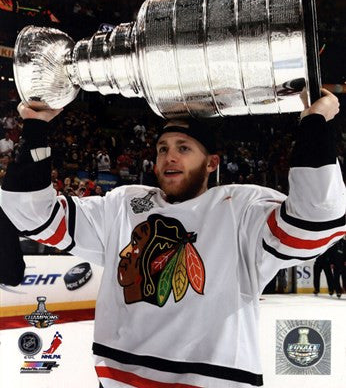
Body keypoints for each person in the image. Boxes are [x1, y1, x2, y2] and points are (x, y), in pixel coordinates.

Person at [1, 89, 345, 388]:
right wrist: (35, 127)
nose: (170, 156)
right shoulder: (123, 204)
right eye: (163, 148)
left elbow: (313, 224)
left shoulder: (240, 209)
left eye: (184, 148)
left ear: (212, 163)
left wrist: (315, 126)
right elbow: (36, 217)